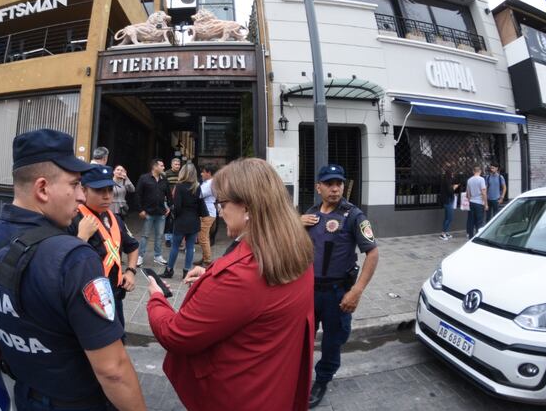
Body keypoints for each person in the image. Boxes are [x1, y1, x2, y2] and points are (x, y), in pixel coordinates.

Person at [0, 129, 146, 411]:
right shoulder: (74, 258)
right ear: (42, 188)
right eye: (75, 184)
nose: (81, 196)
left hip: (25, 393)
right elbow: (113, 370)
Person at [146, 158, 315, 411]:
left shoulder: (241, 275)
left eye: (222, 203)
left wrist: (156, 298)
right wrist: (211, 274)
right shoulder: (294, 249)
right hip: (275, 385)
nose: (220, 211)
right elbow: (256, 299)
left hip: (237, 395)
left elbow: (176, 335)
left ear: (246, 207)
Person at [300, 164, 379, 408]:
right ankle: (299, 378)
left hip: (337, 294)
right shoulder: (310, 213)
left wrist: (356, 291)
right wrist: (296, 223)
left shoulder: (354, 215)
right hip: (309, 292)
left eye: (339, 184)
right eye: (329, 184)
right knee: (302, 339)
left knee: (332, 341)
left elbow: (373, 253)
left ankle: (322, 380)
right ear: (318, 187)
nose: (335, 189)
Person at [70, 164, 139, 328]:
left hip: (115, 294)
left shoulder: (115, 218)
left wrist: (130, 271)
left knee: (119, 338)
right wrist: (82, 237)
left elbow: (133, 246)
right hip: (89, 299)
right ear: (84, 190)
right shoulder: (72, 219)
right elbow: (65, 265)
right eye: (99, 191)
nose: (107, 196)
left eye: (109, 190)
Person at [161, 163, 205, 279]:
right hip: (194, 220)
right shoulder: (197, 186)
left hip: (181, 220)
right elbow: (200, 205)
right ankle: (186, 271)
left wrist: (175, 216)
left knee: (175, 246)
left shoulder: (180, 186)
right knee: (190, 247)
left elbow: (178, 206)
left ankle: (169, 270)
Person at [135, 158, 171, 267]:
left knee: (159, 235)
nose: (163, 167)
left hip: (161, 212)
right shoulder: (144, 178)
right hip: (148, 212)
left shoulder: (164, 179)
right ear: (155, 167)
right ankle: (140, 256)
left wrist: (169, 206)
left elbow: (168, 194)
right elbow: (138, 194)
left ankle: (158, 256)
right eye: (162, 165)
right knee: (145, 235)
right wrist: (140, 209)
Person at [195, 163, 217, 267]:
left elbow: (198, 194)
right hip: (208, 212)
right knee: (205, 237)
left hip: (207, 213)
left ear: (208, 173)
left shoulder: (209, 184)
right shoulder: (208, 182)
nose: (201, 174)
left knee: (203, 238)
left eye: (203, 172)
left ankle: (207, 260)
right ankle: (204, 258)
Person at [163, 158, 182, 248]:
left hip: (179, 199)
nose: (177, 166)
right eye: (175, 164)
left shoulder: (182, 174)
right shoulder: (166, 174)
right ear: (171, 165)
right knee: (168, 220)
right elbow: (163, 187)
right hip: (168, 199)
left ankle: (177, 238)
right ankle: (168, 239)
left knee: (178, 219)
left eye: (178, 164)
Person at [466, 165, 488, 238]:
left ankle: (471, 236)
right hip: (479, 203)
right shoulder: (481, 179)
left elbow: (468, 193)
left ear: (473, 171)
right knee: (479, 221)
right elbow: (484, 192)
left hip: (472, 202)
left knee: (471, 220)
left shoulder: (469, 180)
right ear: (480, 171)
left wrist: (470, 201)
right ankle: (478, 236)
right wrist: (485, 204)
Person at [438, 166, 459, 241]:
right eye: (452, 173)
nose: (453, 175)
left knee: (447, 217)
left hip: (447, 200)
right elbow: (450, 191)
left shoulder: (446, 180)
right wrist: (455, 187)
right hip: (447, 201)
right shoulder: (447, 181)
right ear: (450, 174)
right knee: (449, 217)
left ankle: (446, 232)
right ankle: (443, 233)